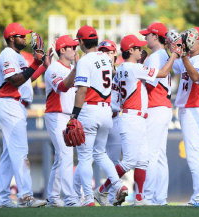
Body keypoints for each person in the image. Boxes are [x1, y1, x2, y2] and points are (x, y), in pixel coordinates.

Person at [94, 35, 179, 206]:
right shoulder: (133, 68)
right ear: (130, 50)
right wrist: (175, 54)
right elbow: (162, 73)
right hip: (131, 117)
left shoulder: (123, 69)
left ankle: (140, 198)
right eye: (138, 48)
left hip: (134, 116)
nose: (141, 50)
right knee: (130, 161)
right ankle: (102, 190)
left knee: (143, 160)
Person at [0, 23, 51, 208]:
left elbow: (27, 80)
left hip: (15, 104)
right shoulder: (7, 54)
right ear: (11, 38)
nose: (25, 38)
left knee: (9, 155)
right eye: (21, 36)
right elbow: (15, 80)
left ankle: (1, 199)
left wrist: (42, 66)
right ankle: (26, 196)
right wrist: (35, 62)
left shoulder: (16, 56)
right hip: (10, 103)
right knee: (20, 152)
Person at [70, 25, 128, 207]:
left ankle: (88, 197)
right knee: (100, 153)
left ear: (80, 42)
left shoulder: (85, 61)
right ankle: (118, 184)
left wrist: (74, 115)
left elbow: (82, 91)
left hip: (90, 109)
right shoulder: (106, 58)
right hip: (106, 111)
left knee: (85, 157)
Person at [172, 27, 199, 206]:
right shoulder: (191, 58)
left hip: (194, 108)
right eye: (188, 38)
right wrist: (173, 45)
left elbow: (195, 77)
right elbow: (173, 66)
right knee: (193, 154)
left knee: (194, 155)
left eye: (193, 39)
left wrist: (184, 55)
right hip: (187, 108)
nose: (189, 40)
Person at [44, 35, 80, 207]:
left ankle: (52, 198)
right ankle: (71, 198)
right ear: (62, 50)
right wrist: (76, 69)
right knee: (65, 156)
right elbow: (61, 87)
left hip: (68, 116)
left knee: (61, 158)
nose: (75, 49)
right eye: (71, 47)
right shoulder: (53, 68)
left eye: (75, 46)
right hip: (56, 115)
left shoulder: (73, 67)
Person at [139, 22, 172, 205]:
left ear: (155, 36)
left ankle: (149, 197)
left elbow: (148, 85)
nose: (145, 37)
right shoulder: (164, 55)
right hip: (164, 106)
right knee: (160, 156)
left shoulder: (155, 56)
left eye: (148, 34)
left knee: (150, 155)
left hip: (155, 106)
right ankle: (160, 198)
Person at [93, 39, 122, 206]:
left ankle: (111, 197)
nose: (106, 55)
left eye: (109, 52)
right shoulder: (96, 71)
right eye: (103, 51)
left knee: (115, 161)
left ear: (115, 55)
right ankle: (77, 196)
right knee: (88, 157)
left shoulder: (121, 71)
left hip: (115, 117)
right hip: (99, 117)